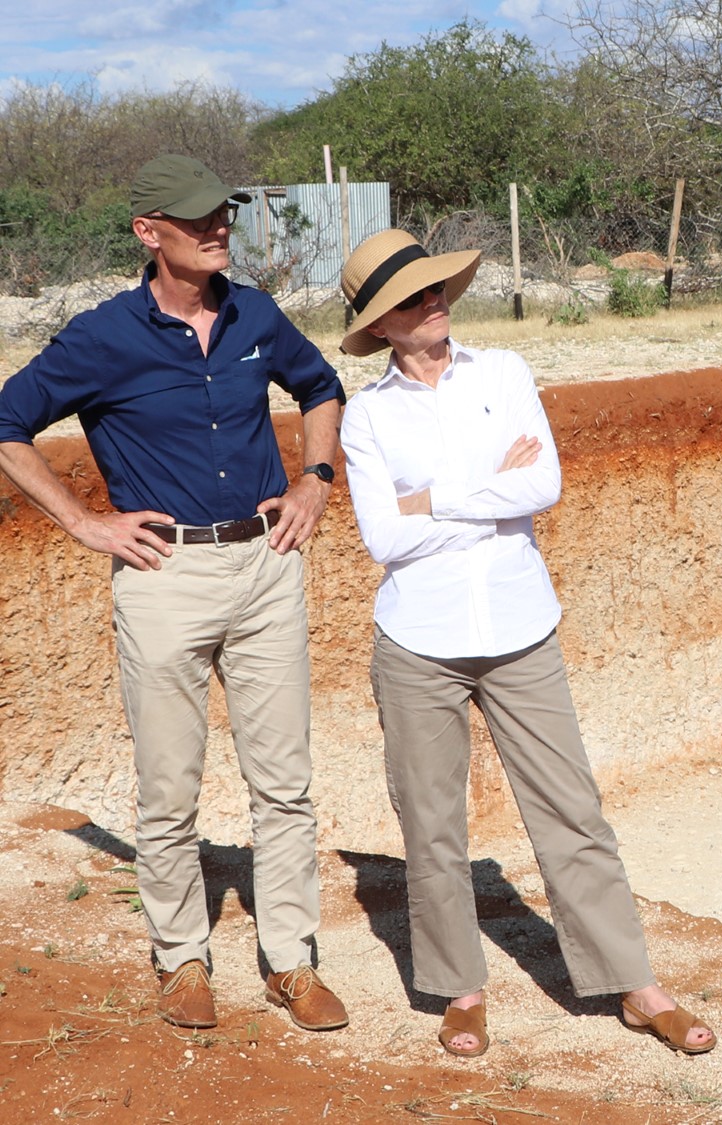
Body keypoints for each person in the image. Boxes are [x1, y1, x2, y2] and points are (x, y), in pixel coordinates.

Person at [335, 230, 715, 1059]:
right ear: (382, 325)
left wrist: (430, 498)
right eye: (411, 299)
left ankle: (635, 984)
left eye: (436, 288)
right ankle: (460, 990)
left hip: (520, 628)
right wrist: (485, 490)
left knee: (572, 812)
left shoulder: (503, 373)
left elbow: (542, 483)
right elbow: (381, 537)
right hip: (417, 639)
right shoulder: (366, 414)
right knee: (433, 827)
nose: (432, 302)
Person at [0, 155, 349, 1032]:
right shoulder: (99, 336)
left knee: (286, 782)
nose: (218, 229)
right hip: (164, 576)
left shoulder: (257, 313)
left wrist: (313, 478)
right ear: (147, 233)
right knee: (168, 786)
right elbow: (6, 424)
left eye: (222, 215)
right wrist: (86, 524)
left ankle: (293, 962)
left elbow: (321, 386)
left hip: (267, 566)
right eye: (197, 220)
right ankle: (182, 958)